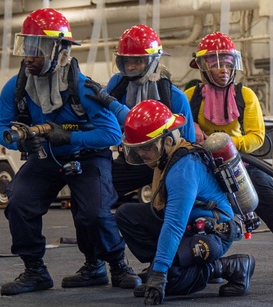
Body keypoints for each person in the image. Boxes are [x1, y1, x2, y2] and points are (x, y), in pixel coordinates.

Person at [0, 8, 140, 295]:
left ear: (58, 50)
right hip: (46, 156)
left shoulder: (84, 89)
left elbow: (110, 134)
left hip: (88, 156)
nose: (28, 56)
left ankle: (114, 266)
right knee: (20, 202)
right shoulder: (17, 85)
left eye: (37, 48)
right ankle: (35, 271)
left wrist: (69, 137)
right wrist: (19, 142)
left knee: (94, 214)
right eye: (27, 47)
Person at [183, 32, 273, 272]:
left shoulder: (245, 96)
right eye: (216, 64)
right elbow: (180, 133)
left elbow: (257, 137)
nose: (223, 69)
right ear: (203, 67)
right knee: (183, 207)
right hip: (202, 170)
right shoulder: (189, 97)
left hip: (240, 166)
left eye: (227, 63)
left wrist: (222, 144)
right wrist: (191, 133)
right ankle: (185, 258)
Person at [115, 100, 254, 305]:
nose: (141, 153)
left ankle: (232, 267)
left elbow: (174, 225)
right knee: (126, 214)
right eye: (138, 149)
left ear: (167, 141)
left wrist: (159, 275)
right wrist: (108, 101)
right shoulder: (164, 156)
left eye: (147, 147)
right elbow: (139, 127)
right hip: (189, 226)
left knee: (173, 282)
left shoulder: (182, 171)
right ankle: (174, 263)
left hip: (212, 232)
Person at [84, 24, 195, 200]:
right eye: (127, 61)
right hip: (130, 159)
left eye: (138, 61)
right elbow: (103, 122)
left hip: (167, 164)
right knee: (96, 193)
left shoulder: (175, 97)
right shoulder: (117, 86)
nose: (132, 67)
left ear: (153, 60)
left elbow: (189, 145)